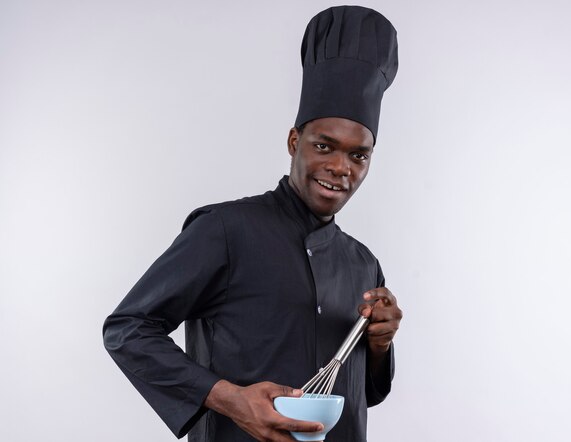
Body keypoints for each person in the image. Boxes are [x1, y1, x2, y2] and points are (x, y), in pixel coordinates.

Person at [103, 6, 403, 442]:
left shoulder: (363, 263)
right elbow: (128, 329)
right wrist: (227, 398)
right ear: (294, 142)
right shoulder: (225, 229)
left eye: (359, 155)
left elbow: (363, 395)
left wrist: (379, 345)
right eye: (325, 146)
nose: (341, 168)